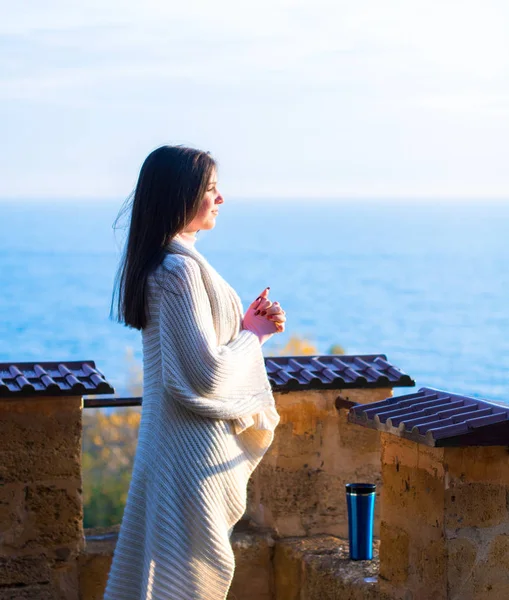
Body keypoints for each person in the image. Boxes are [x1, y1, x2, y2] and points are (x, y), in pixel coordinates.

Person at [105, 145, 286, 599]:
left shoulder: (171, 262)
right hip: (188, 460)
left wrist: (242, 325)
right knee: (182, 584)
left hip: (171, 448)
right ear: (178, 196)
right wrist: (256, 336)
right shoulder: (177, 269)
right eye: (210, 190)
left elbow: (195, 351)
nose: (220, 199)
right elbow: (205, 374)